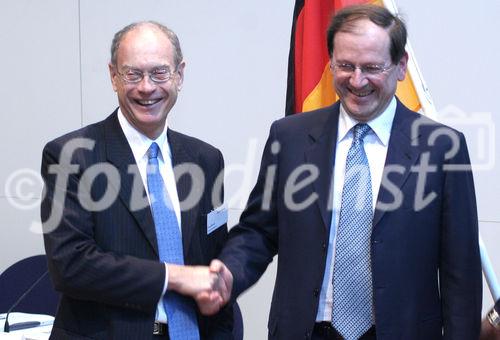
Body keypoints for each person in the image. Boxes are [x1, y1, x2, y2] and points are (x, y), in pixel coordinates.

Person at [209, 4, 482, 340]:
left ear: (400, 67)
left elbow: (461, 272)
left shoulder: (442, 148)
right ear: (331, 62)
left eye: (371, 68)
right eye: (346, 66)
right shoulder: (290, 137)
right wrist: (229, 272)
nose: (357, 81)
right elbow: (258, 231)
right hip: (307, 332)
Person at [41, 21, 232, 339]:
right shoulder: (71, 155)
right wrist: (173, 277)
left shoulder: (206, 160)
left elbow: (215, 263)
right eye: (133, 74)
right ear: (113, 76)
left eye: (160, 73)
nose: (147, 87)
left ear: (179, 75)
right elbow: (70, 265)